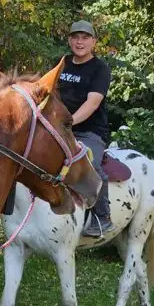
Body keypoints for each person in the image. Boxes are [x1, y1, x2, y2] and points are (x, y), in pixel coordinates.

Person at [57, 20, 124, 237]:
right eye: (75, 37)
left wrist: (69, 124)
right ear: (69, 40)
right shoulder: (62, 63)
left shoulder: (100, 69)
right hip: (59, 127)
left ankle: (102, 217)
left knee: (90, 163)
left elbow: (92, 103)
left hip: (89, 131)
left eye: (85, 37)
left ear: (93, 42)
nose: (80, 41)